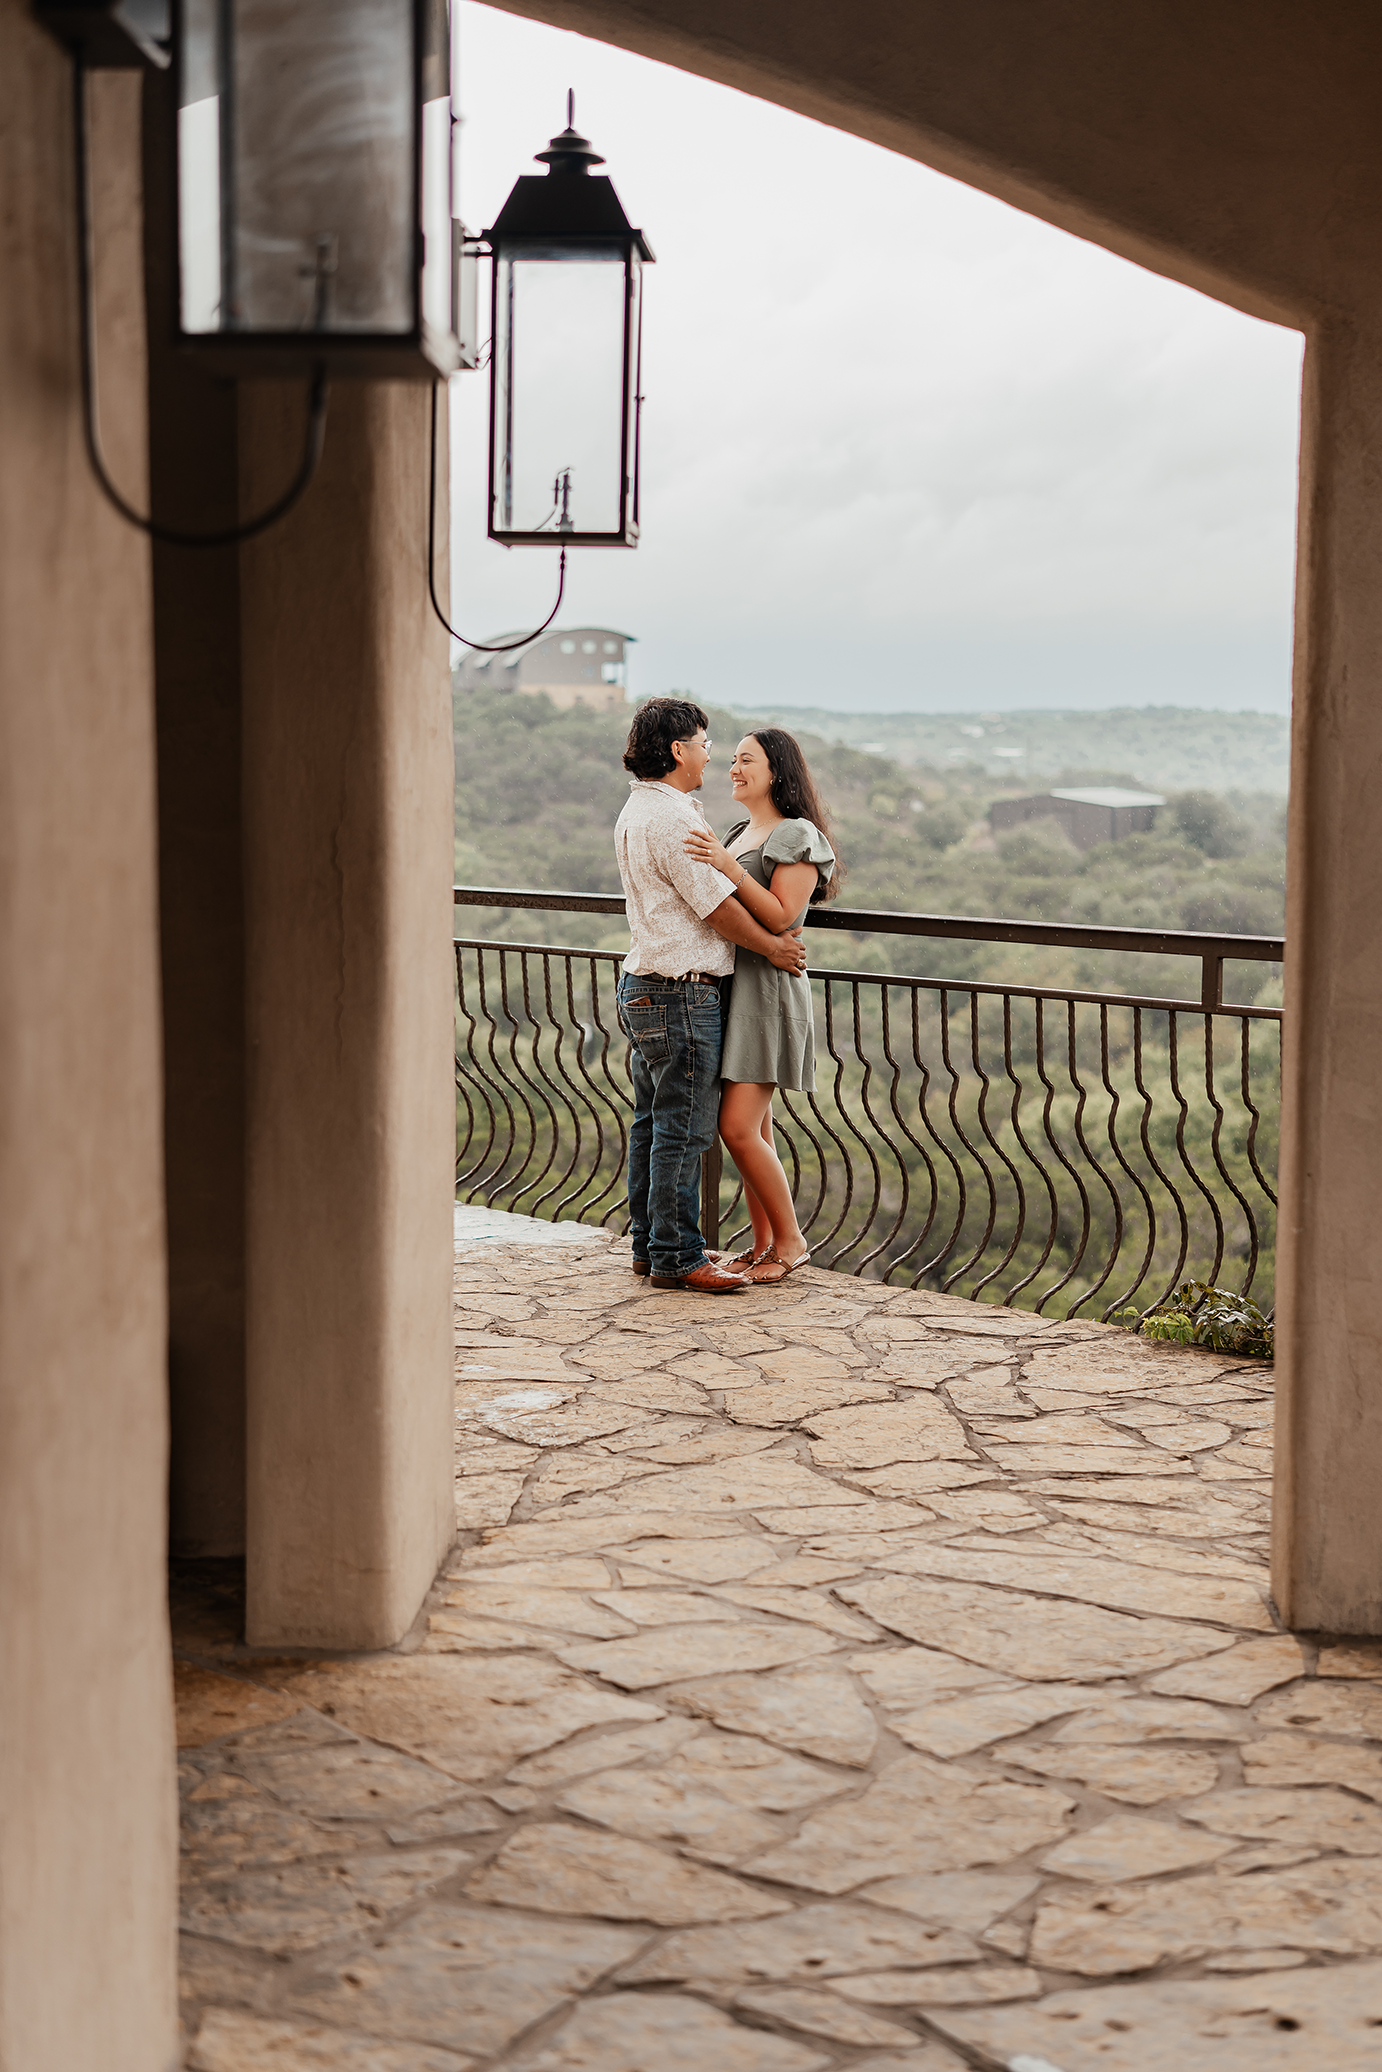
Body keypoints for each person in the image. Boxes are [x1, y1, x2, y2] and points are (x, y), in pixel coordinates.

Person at [614, 698, 810, 1294]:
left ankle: (652, 1247)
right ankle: (678, 1254)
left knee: (653, 1122)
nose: (711, 757)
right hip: (682, 992)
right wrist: (774, 948)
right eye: (703, 744)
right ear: (678, 750)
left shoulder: (637, 810)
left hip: (646, 984)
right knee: (682, 1129)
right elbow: (718, 909)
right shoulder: (676, 819)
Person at [683, 728, 840, 1284]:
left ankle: (792, 1241)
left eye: (746, 760)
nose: (733, 769)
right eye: (731, 760)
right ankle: (763, 1243)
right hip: (734, 987)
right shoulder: (739, 831)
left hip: (769, 993)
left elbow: (781, 917)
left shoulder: (796, 834)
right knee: (758, 1130)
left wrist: (726, 865)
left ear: (778, 770)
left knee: (738, 1126)